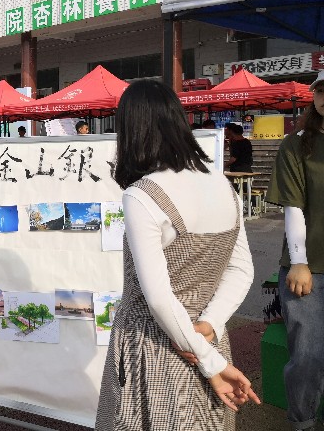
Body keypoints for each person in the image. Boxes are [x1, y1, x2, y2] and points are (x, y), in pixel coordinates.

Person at [95, 79, 259, 431]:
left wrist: (208, 361)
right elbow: (241, 269)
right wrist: (210, 327)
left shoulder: (144, 194)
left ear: (131, 131)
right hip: (208, 336)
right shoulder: (222, 183)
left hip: (153, 346)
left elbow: (157, 299)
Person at [266, 69, 324, 431]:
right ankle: (302, 422)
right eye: (320, 90)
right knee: (307, 354)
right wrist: (299, 261)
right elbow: (293, 207)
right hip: (311, 268)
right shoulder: (297, 143)